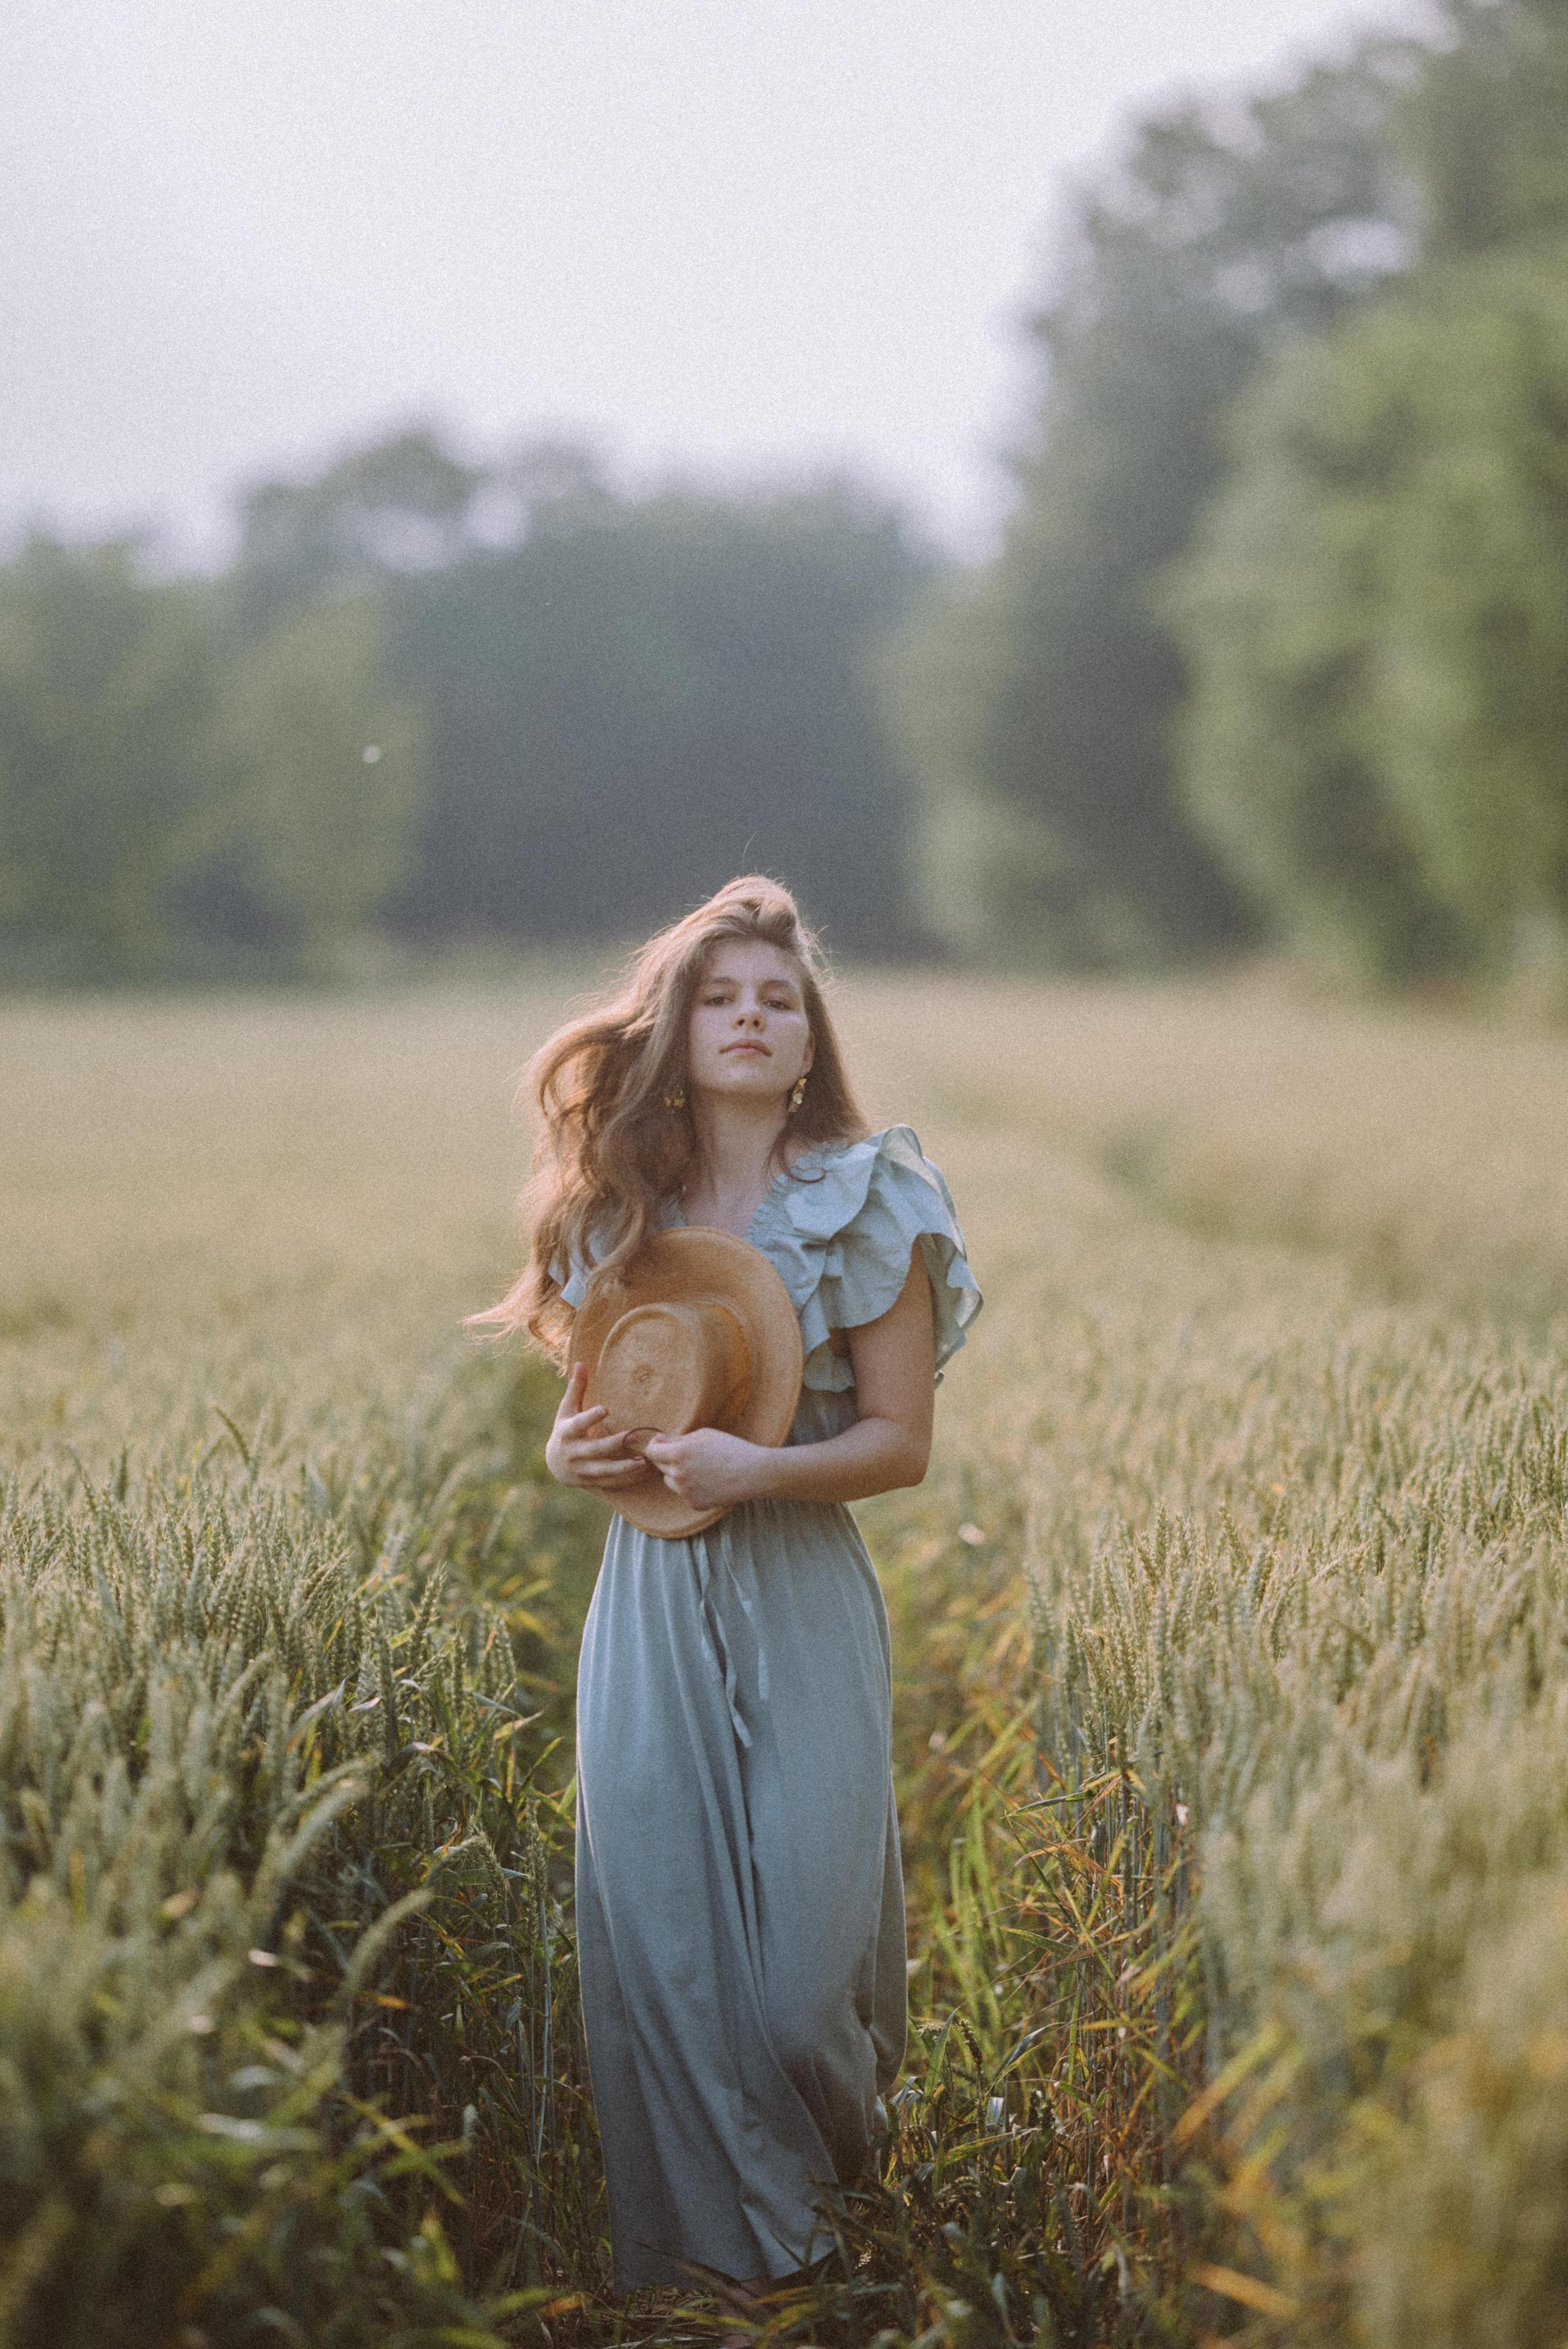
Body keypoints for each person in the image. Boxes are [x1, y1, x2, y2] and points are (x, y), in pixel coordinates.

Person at [478, 876, 981, 2310]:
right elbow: (591, 1428)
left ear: (809, 1040)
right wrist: (570, 1455)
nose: (750, 1017)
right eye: (720, 996)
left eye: (778, 999)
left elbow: (899, 1446)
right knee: (674, 1961)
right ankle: (732, 2286)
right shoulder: (618, 1217)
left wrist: (756, 1471)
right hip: (647, 1600)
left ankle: (840, 2213)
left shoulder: (871, 1195)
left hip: (800, 1589)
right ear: (678, 1029)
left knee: (799, 1992)